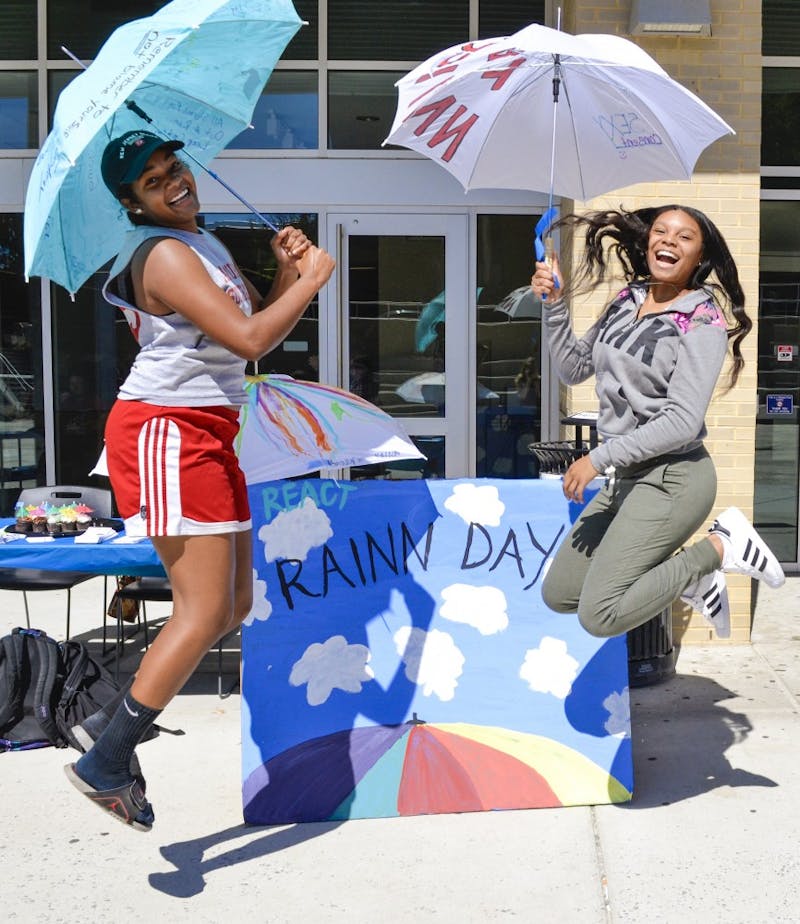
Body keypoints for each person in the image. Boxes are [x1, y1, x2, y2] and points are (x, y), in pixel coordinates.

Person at [63, 130, 335, 831]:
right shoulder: (161, 255)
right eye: (153, 182)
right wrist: (309, 283)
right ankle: (106, 756)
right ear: (134, 203)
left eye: (173, 167)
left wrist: (283, 272)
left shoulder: (203, 242)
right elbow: (250, 344)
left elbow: (245, 327)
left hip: (207, 432)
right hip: (167, 433)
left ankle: (110, 722)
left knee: (234, 603)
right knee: (200, 609)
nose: (174, 182)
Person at [530, 204, 784, 643]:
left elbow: (683, 421)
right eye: (661, 231)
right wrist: (554, 305)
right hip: (626, 477)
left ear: (699, 257)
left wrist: (598, 457)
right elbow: (573, 367)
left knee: (600, 615)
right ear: (647, 242)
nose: (668, 240)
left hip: (675, 478)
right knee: (560, 592)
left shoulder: (702, 322)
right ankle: (691, 579)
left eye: (684, 237)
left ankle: (721, 547)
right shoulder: (627, 299)